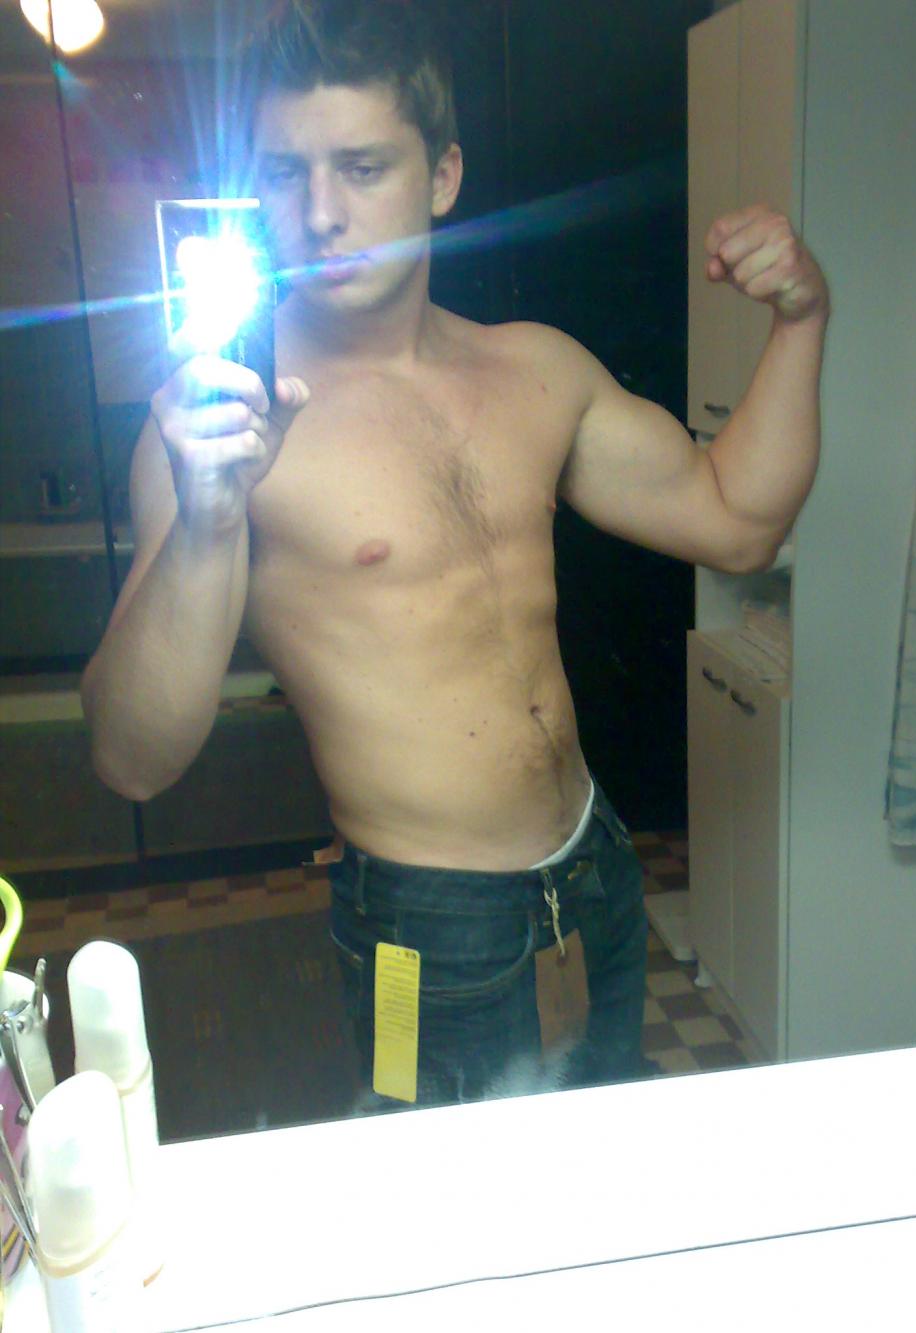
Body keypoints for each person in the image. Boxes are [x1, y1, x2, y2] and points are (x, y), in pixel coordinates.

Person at [81, 0, 829, 1110]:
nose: (320, 212)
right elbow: (133, 757)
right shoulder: (219, 425)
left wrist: (802, 320)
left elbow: (736, 518)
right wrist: (208, 521)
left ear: (441, 176)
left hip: (592, 869)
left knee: (601, 1165)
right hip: (422, 933)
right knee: (435, 1197)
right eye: (285, 174)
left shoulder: (534, 369)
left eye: (362, 166)